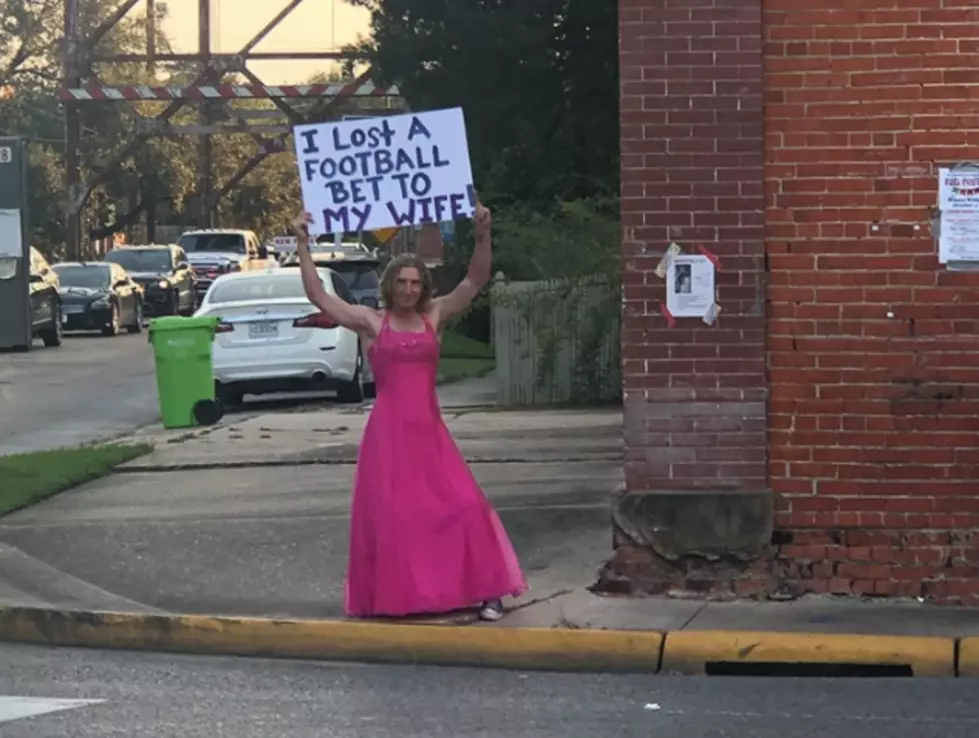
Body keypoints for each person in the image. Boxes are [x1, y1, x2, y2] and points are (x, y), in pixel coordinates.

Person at [290, 204, 527, 621]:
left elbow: (475, 280)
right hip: (388, 436)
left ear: (424, 288)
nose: (408, 289)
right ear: (389, 286)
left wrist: (483, 235)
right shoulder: (370, 321)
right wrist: (303, 245)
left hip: (431, 433)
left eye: (415, 282)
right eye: (401, 282)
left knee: (464, 506)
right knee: (398, 519)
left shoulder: (433, 316)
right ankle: (401, 598)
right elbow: (319, 297)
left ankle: (486, 591)